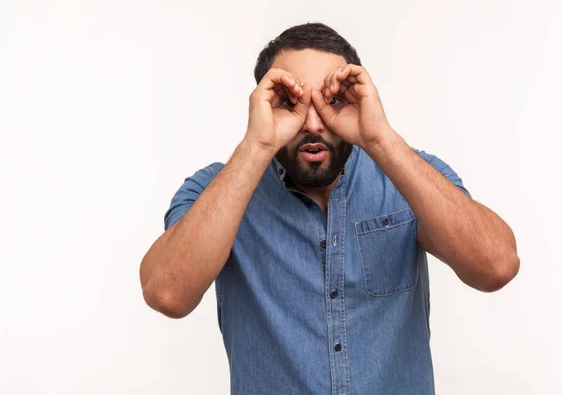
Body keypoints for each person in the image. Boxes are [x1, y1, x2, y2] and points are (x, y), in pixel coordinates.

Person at [139, 22, 520, 395]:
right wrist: (256, 146)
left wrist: (379, 138)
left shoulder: (410, 176)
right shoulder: (216, 190)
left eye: (332, 99)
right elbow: (168, 294)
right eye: (291, 101)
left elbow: (496, 267)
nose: (314, 122)